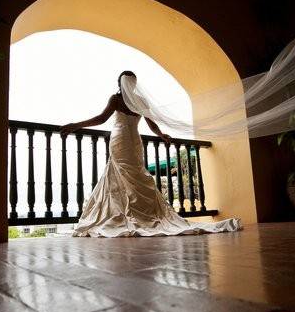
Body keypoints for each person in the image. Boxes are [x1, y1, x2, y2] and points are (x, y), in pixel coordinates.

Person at [60, 71, 241, 237]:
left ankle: (123, 212)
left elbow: (101, 119)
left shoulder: (116, 99)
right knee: (134, 174)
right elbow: (151, 124)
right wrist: (160, 134)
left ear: (119, 83)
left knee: (123, 174)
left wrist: (75, 125)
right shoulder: (139, 100)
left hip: (120, 139)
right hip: (133, 140)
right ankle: (137, 212)